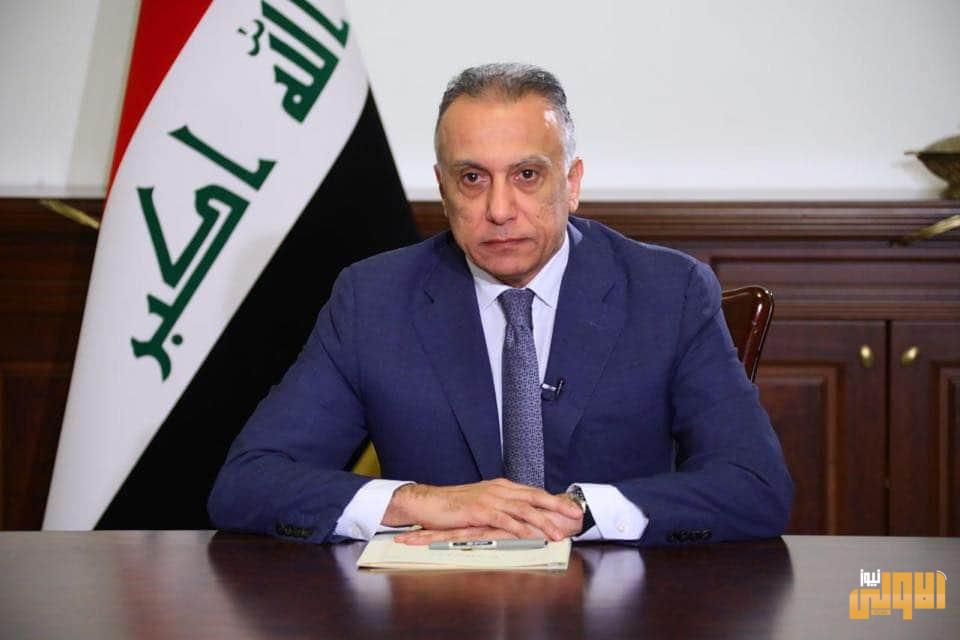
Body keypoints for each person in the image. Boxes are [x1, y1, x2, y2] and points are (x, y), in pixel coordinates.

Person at [208, 63, 793, 546]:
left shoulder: (667, 291)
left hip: (616, 607)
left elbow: (755, 486)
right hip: (435, 612)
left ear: (572, 183)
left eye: (527, 174)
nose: (499, 209)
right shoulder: (374, 299)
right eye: (472, 178)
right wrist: (419, 501)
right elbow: (248, 482)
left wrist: (579, 512)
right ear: (443, 188)